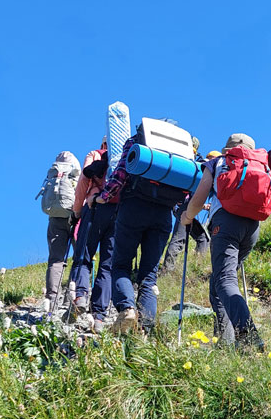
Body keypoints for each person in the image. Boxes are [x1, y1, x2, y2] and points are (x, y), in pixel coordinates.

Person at [181, 135, 264, 351]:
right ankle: (226, 345)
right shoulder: (261, 164)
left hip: (225, 223)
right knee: (219, 284)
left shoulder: (219, 162)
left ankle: (247, 334)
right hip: (252, 227)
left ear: (228, 149)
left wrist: (187, 217)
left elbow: (199, 197)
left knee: (224, 280)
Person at [95, 133, 183, 335]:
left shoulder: (137, 140)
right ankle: (146, 330)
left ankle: (127, 308)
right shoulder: (178, 149)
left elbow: (121, 174)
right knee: (149, 277)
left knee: (120, 266)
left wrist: (104, 197)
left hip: (134, 207)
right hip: (163, 214)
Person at [69, 139, 117, 332]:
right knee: (107, 264)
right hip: (118, 212)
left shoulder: (95, 155)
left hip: (94, 206)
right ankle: (99, 316)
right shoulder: (126, 158)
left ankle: (80, 295)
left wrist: (77, 211)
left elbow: (83, 180)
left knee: (83, 255)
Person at [162, 146, 212, 272]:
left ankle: (197, 264)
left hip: (182, 205)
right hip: (184, 206)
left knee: (202, 237)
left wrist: (203, 206)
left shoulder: (192, 165)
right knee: (180, 237)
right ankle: (167, 270)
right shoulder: (201, 166)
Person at [43, 151, 80, 303]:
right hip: (75, 216)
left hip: (55, 217)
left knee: (56, 260)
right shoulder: (76, 169)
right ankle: (71, 296)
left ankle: (52, 297)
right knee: (79, 257)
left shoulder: (54, 171)